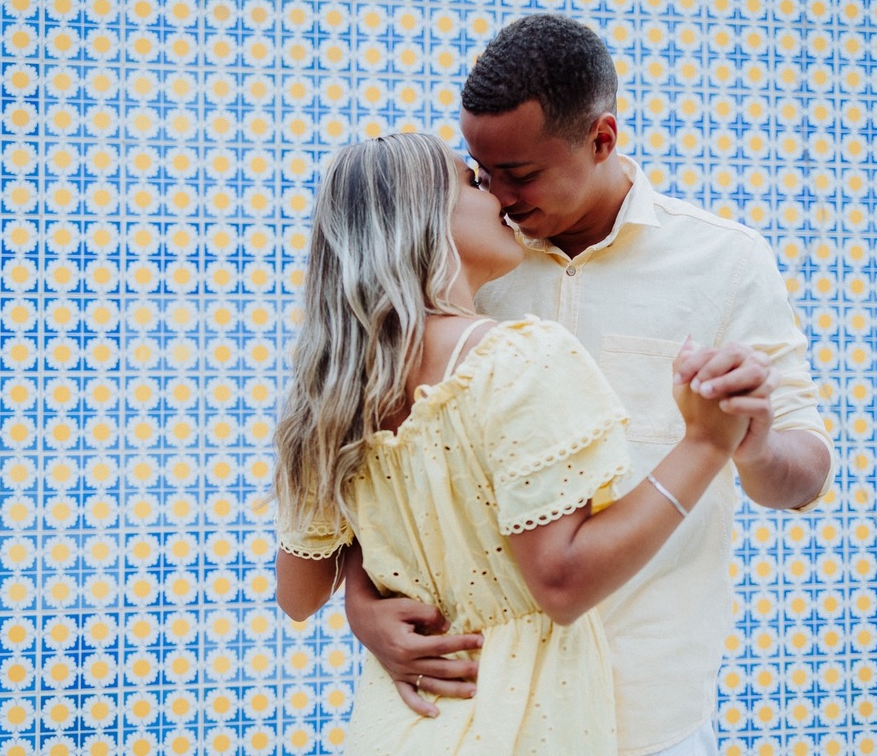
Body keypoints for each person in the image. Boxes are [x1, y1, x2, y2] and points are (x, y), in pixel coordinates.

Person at [344, 15, 835, 756]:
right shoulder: (463, 264)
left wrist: (752, 441)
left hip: (651, 707)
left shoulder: (727, 262)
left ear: (602, 138)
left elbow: (802, 477)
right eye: (480, 171)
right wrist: (361, 602)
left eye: (521, 173)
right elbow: (381, 451)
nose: (499, 195)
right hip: (482, 708)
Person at [273, 132, 750, 754]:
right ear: (424, 218)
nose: (496, 193)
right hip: (527, 721)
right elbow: (563, 584)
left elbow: (299, 594)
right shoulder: (518, 358)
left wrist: (364, 602)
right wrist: (707, 446)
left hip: (396, 726)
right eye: (471, 182)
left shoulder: (330, 398)